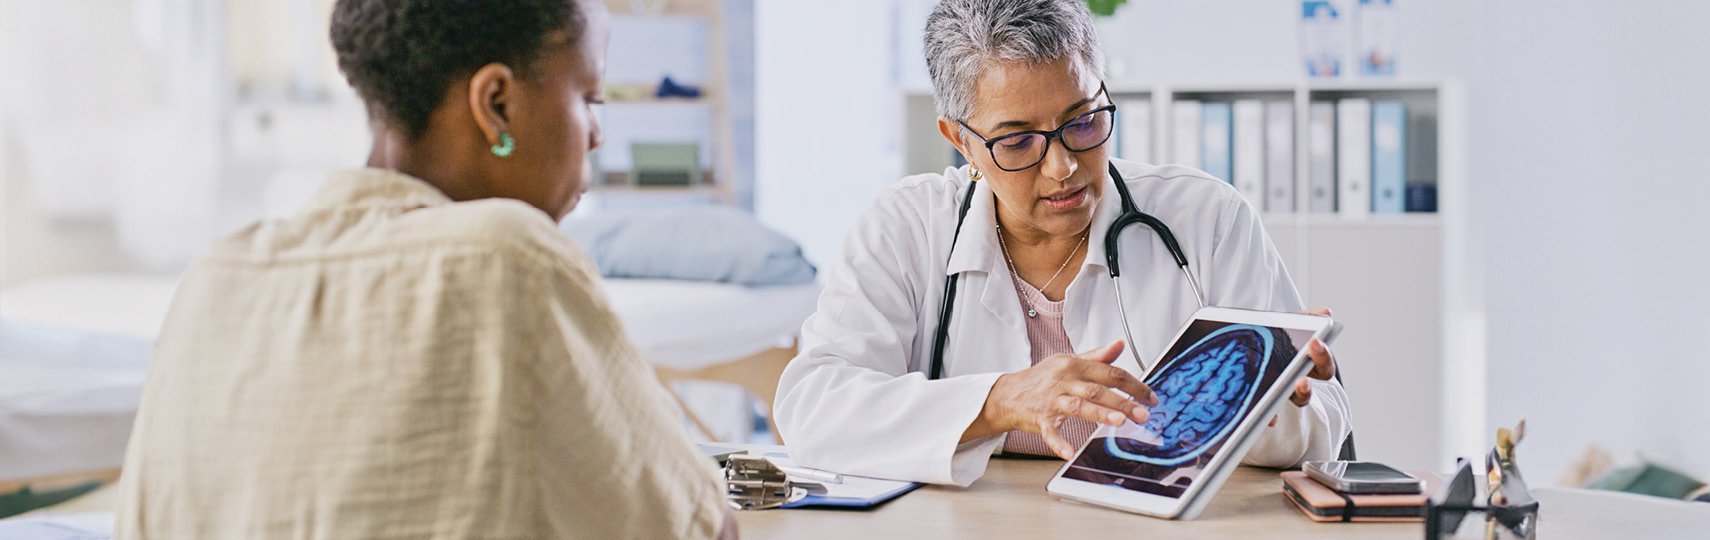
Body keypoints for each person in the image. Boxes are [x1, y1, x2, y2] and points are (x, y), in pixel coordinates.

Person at [114, 1, 735, 538]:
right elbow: (701, 528)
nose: (596, 135)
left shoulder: (215, 276)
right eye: (589, 99)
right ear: (497, 104)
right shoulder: (506, 258)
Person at [772, 0, 1352, 487]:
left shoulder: (1206, 219)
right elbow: (813, 407)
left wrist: (1272, 406)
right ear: (959, 139)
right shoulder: (907, 227)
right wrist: (1001, 400)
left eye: (1083, 121)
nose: (1064, 167)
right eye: (1019, 141)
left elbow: (1321, 430)